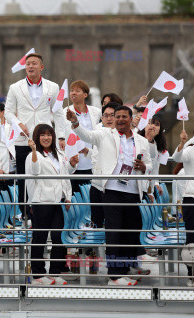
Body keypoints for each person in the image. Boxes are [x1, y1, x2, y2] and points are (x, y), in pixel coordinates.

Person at [66, 105, 152, 286]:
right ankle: (113, 275)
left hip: (134, 191)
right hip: (111, 190)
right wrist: (75, 121)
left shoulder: (141, 140)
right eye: (117, 116)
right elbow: (85, 135)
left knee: (131, 231)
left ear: (130, 119)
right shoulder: (105, 134)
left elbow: (149, 165)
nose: (120, 119)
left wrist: (144, 168)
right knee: (114, 231)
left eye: (123, 117)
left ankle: (124, 269)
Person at [5, 53, 64, 205]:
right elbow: (8, 112)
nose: (30, 66)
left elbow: (58, 112)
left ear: (41, 67)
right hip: (24, 139)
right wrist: (18, 124)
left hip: (45, 139)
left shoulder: (53, 87)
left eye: (34, 63)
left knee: (46, 174)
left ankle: (48, 205)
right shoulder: (15, 87)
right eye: (28, 64)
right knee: (25, 178)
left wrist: (61, 137)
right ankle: (26, 213)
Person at [25, 124, 78, 285]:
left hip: (58, 201)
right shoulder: (32, 156)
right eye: (42, 135)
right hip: (41, 201)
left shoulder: (58, 153)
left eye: (49, 135)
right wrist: (34, 151)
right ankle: (38, 275)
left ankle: (55, 272)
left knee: (58, 237)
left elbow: (64, 175)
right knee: (39, 238)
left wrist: (73, 165)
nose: (46, 138)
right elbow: (34, 171)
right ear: (37, 137)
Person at [63, 80, 101, 194]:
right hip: (73, 164)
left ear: (85, 95)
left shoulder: (96, 112)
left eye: (77, 91)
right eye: (71, 91)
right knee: (76, 200)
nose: (73, 93)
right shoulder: (64, 113)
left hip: (92, 163)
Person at [90, 102, 120, 229]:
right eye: (105, 115)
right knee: (96, 221)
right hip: (97, 183)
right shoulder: (98, 131)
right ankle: (92, 249)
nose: (109, 119)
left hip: (115, 187)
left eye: (112, 115)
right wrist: (75, 123)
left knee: (113, 223)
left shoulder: (125, 135)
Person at [171, 129, 194, 286]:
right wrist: (182, 142)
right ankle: (191, 274)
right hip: (192, 197)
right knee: (191, 239)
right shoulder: (191, 148)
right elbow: (177, 157)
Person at [138, 115, 167, 201]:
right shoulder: (136, 140)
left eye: (157, 124)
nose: (153, 126)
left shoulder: (157, 145)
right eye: (150, 123)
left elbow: (154, 169)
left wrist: (156, 184)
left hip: (147, 187)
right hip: (136, 185)